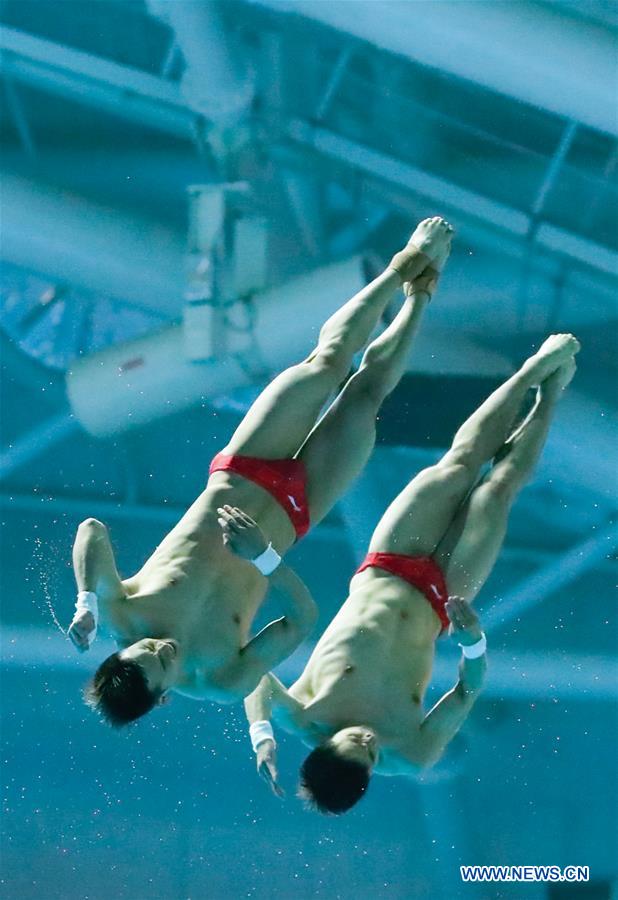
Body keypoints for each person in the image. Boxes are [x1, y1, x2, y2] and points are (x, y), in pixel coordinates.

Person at [67, 217, 454, 726]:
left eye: (146, 648)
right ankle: (421, 294)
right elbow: (303, 619)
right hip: (297, 512)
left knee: (326, 364)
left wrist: (85, 599)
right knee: (365, 397)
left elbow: (91, 530)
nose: (161, 645)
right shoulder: (222, 677)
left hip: (244, 467)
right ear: (165, 695)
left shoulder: (122, 614)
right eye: (164, 660)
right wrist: (264, 559)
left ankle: (399, 268)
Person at [240, 333, 580, 814]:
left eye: (354, 741)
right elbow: (467, 690)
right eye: (372, 751)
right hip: (445, 597)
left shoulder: (304, 714)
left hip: (389, 562)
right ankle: (550, 395)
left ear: (324, 747)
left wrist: (262, 737)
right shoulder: (414, 752)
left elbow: (256, 682)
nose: (369, 739)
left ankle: (530, 372)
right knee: (497, 491)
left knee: (460, 464)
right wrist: (473, 642)